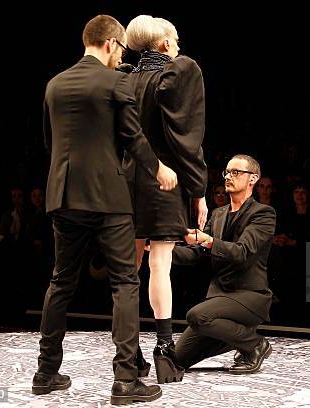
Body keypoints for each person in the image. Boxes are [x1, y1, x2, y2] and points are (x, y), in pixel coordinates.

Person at [35, 15, 177, 405]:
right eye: (121, 51)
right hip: (108, 198)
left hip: (63, 195)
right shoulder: (116, 81)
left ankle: (45, 372)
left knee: (61, 281)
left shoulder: (54, 84)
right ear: (113, 44)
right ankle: (125, 381)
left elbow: (51, 143)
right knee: (124, 284)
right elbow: (133, 137)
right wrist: (159, 169)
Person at [124, 15, 208, 384]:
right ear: (162, 45)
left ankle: (129, 353)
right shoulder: (174, 75)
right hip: (163, 181)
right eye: (174, 41)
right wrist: (199, 190)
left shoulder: (123, 79)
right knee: (160, 265)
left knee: (129, 272)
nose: (178, 48)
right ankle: (163, 349)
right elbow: (184, 139)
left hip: (124, 182)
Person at [172, 154, 276, 374]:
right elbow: (197, 254)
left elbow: (241, 252)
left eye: (236, 172)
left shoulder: (263, 214)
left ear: (253, 179)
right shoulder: (218, 214)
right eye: (227, 172)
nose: (228, 176)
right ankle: (240, 338)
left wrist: (207, 240)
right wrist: (163, 252)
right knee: (176, 360)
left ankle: (255, 344)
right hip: (220, 297)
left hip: (249, 296)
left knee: (197, 315)